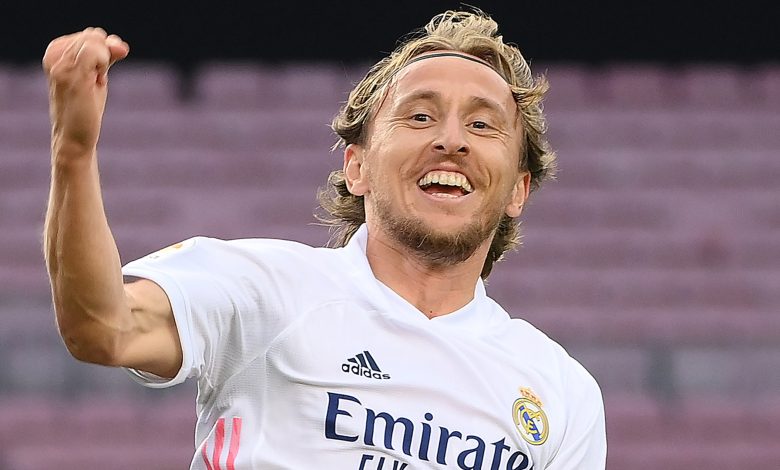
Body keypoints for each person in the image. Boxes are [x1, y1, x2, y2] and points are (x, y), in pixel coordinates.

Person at [42, 9, 606, 470]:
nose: (452, 140)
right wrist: (73, 154)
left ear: (518, 190)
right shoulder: (265, 288)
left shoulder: (561, 391)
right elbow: (102, 328)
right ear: (356, 167)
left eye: (482, 125)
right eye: (419, 117)